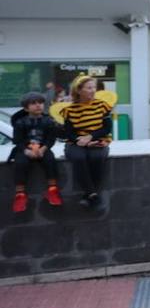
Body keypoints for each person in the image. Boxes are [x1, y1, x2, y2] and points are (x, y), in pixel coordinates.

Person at [61, 74, 113, 210]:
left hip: (97, 139)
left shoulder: (102, 105)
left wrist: (90, 137)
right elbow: (68, 132)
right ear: (79, 90)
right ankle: (93, 194)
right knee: (78, 157)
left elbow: (107, 128)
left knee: (97, 156)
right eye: (89, 87)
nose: (93, 90)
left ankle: (88, 194)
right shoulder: (69, 109)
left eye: (94, 87)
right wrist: (80, 140)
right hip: (76, 142)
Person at [8, 92, 62, 214]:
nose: (38, 105)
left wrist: (43, 149)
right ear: (26, 108)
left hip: (43, 148)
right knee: (20, 163)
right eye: (33, 103)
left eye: (40, 103)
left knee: (50, 160)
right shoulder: (20, 122)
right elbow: (18, 140)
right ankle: (20, 195)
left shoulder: (48, 121)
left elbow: (51, 139)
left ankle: (52, 190)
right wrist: (27, 151)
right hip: (25, 149)